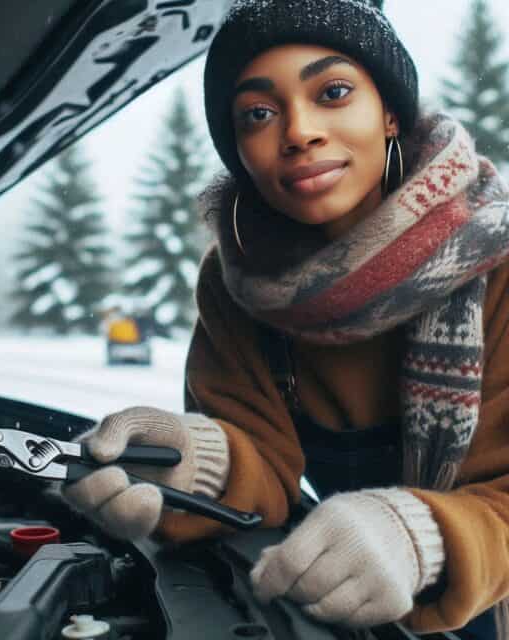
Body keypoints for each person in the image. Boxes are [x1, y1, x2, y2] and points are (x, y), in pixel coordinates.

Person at [63, 1, 509, 638]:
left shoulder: (497, 260)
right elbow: (260, 460)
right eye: (258, 114)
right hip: (344, 604)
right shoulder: (236, 284)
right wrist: (196, 462)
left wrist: (424, 539)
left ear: (388, 113)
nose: (298, 131)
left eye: (332, 92)